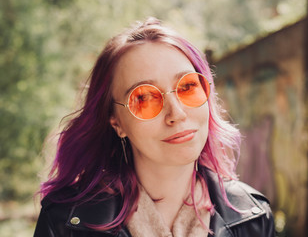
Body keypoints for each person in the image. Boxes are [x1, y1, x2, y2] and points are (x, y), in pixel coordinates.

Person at [34, 17, 275, 237]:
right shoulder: (64, 223)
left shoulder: (253, 217)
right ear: (116, 122)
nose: (177, 114)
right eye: (144, 98)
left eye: (187, 87)